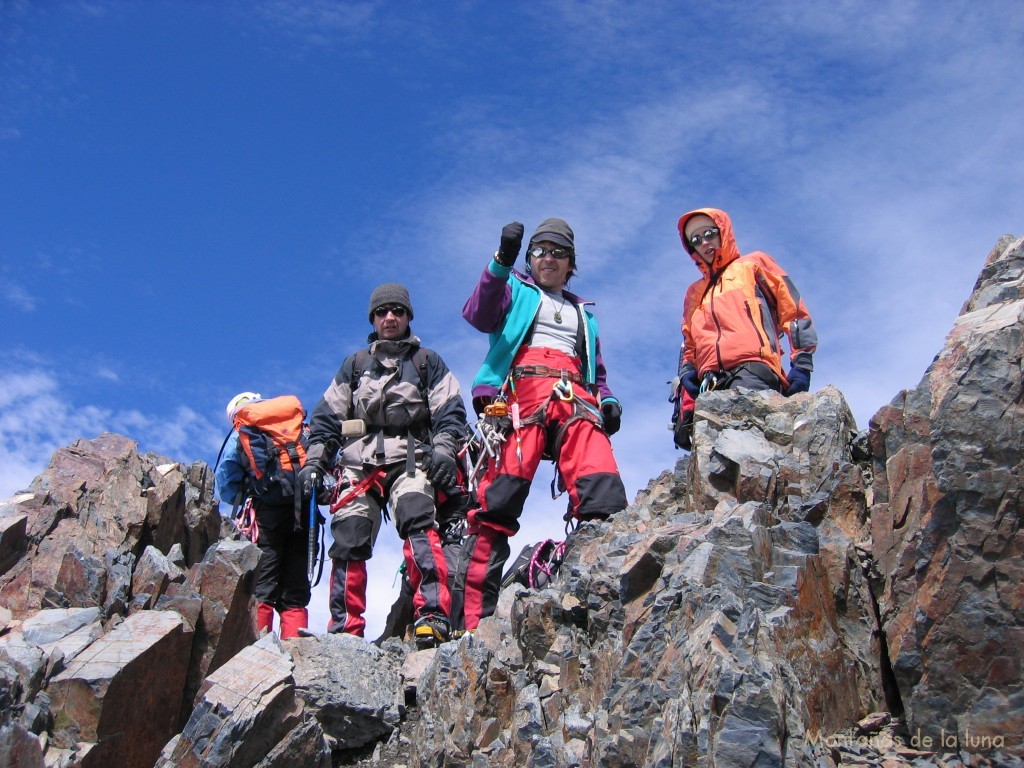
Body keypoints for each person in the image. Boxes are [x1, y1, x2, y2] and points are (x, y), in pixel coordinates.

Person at [460, 217, 628, 631]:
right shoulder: (514, 291)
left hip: (575, 395)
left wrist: (607, 400)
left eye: (558, 252)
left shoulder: (583, 314)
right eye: (539, 251)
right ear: (529, 258)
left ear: (571, 263)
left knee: (602, 490)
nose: (547, 258)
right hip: (521, 393)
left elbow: (597, 371)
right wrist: (502, 260)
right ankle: (471, 623)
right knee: (496, 502)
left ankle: (604, 596)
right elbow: (480, 314)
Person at [300, 283, 469, 649]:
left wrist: (442, 450)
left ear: (408, 316)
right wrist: (315, 461)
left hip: (411, 459)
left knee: (418, 522)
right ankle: (344, 629)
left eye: (397, 310)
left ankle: (433, 615)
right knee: (348, 538)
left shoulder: (427, 362)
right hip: (358, 466)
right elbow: (326, 418)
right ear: (373, 319)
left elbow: (450, 410)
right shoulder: (354, 366)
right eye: (381, 311)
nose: (389, 317)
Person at [673, 207, 818, 449]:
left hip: (753, 371)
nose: (704, 243)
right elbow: (690, 343)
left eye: (709, 233)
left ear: (723, 232)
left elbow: (794, 312)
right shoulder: (693, 293)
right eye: (695, 240)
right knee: (716, 463)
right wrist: (689, 371)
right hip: (710, 384)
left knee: (751, 449)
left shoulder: (754, 265)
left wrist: (802, 365)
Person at [215, 391, 311, 639]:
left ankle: (257, 647)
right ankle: (296, 648)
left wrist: (246, 491)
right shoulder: (292, 423)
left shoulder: (244, 428)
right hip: (303, 510)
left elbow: (226, 480)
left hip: (266, 510)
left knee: (264, 581)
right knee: (295, 586)